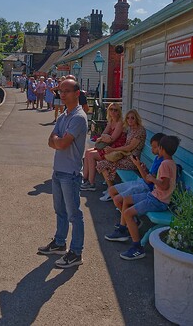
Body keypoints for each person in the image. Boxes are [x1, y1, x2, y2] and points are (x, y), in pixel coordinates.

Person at [37, 78, 88, 268]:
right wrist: (58, 140)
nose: (62, 94)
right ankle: (60, 243)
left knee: (74, 214)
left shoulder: (78, 117)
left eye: (66, 91)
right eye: (61, 91)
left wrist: (57, 140)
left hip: (70, 173)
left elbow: (62, 143)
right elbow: (51, 141)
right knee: (60, 211)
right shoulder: (63, 116)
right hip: (58, 170)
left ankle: (76, 252)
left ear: (77, 94)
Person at [105, 135, 180, 260]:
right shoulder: (169, 162)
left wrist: (152, 179)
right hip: (154, 196)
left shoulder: (165, 164)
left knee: (128, 213)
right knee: (127, 200)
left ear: (162, 148)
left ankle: (137, 248)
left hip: (158, 201)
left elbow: (164, 185)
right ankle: (124, 228)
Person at [89, 109, 147, 191]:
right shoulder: (130, 129)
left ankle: (111, 190)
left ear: (137, 118)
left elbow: (129, 147)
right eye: (128, 118)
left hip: (132, 161)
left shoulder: (140, 130)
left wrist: (113, 149)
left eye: (132, 118)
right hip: (125, 157)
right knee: (103, 162)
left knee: (102, 164)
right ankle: (112, 189)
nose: (130, 120)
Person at [99, 132, 165, 202]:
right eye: (151, 146)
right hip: (141, 182)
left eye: (154, 147)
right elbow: (150, 175)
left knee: (117, 199)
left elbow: (148, 181)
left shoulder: (162, 163)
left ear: (162, 148)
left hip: (146, 187)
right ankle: (122, 204)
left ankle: (124, 207)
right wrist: (145, 169)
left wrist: (138, 166)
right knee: (111, 190)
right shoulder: (157, 158)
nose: (152, 149)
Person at [81, 103, 126, 189]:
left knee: (91, 155)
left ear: (118, 112)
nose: (113, 111)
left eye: (115, 110)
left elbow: (112, 139)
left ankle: (91, 183)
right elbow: (103, 135)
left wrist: (103, 138)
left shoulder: (120, 123)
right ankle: (85, 179)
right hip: (108, 146)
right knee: (87, 152)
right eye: (111, 109)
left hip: (114, 149)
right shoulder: (111, 121)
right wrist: (104, 138)